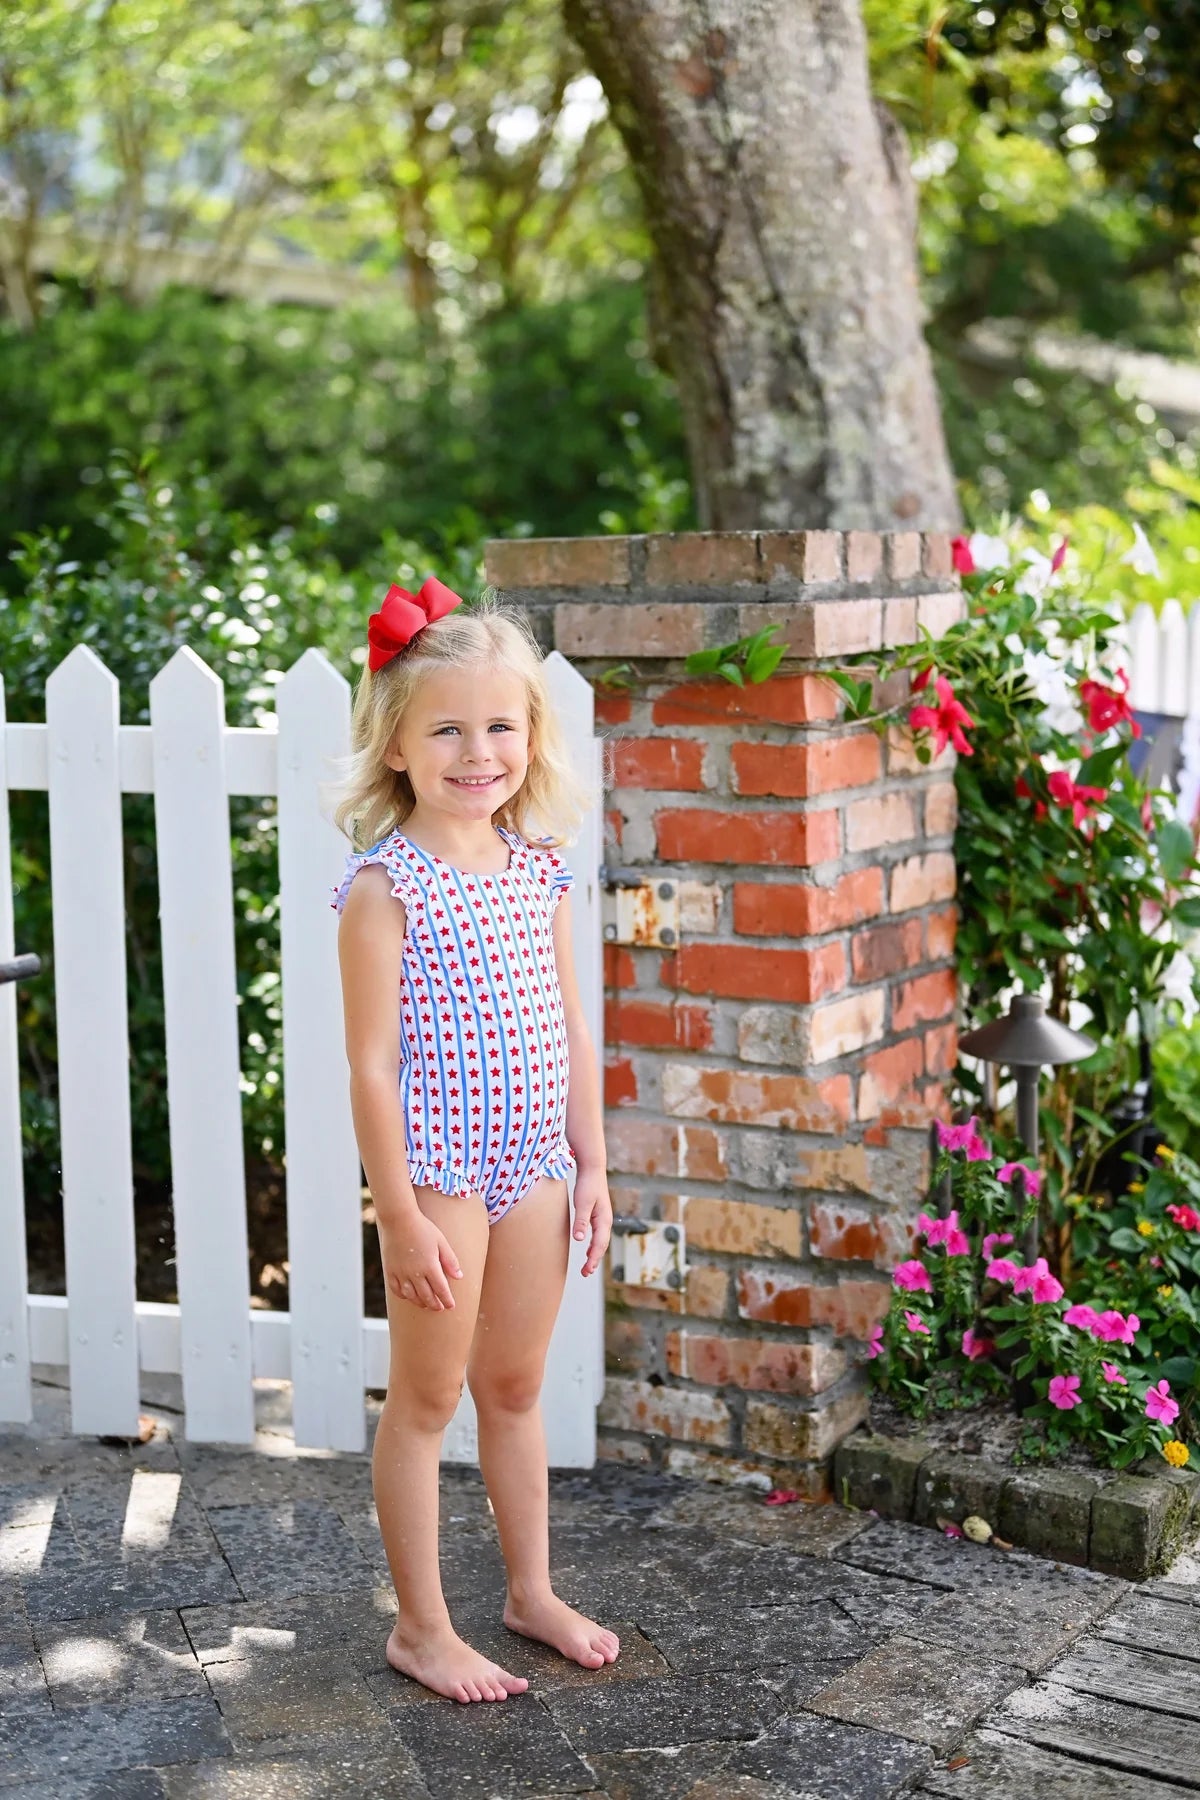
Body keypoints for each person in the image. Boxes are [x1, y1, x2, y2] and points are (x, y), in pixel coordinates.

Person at [330, 576, 617, 1705]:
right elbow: (368, 1065)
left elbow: (573, 1027)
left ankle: (529, 1591)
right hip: (441, 1173)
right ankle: (422, 1626)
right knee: (426, 1400)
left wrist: (591, 1164)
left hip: (537, 1166)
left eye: (500, 725)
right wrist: (396, 1211)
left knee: (512, 1387)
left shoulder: (540, 870)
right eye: (445, 727)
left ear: (531, 737)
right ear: (396, 746)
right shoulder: (382, 889)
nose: (476, 750)